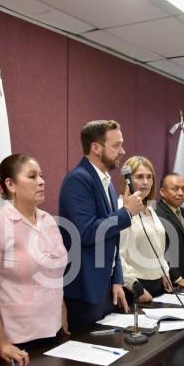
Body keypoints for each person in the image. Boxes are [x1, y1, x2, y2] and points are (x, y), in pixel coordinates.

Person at [0, 154, 68, 366]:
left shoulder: (49, 221)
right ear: (10, 184)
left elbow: (54, 271)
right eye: (32, 176)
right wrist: (0, 341)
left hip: (55, 330)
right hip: (18, 341)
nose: (41, 181)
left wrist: (62, 309)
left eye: (41, 176)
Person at [59, 120, 145, 331]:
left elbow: (111, 237)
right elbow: (86, 231)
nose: (122, 151)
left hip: (106, 287)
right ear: (96, 148)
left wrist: (117, 278)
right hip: (85, 289)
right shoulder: (78, 180)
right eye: (116, 146)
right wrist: (125, 213)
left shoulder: (105, 181)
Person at [117, 156, 173, 304]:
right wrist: (136, 288)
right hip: (136, 289)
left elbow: (157, 247)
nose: (146, 182)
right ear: (127, 180)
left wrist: (164, 272)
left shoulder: (149, 209)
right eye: (140, 177)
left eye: (149, 177)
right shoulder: (121, 210)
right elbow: (118, 256)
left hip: (158, 285)